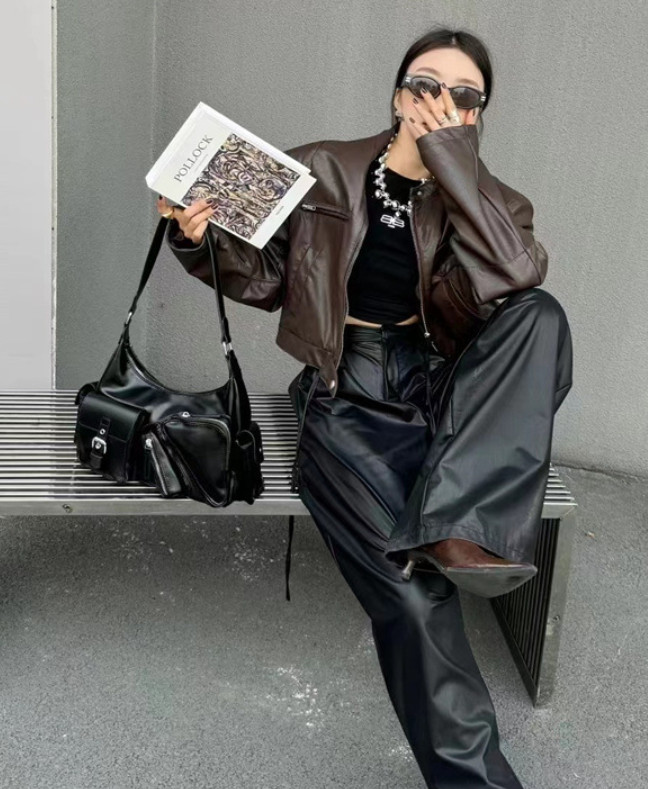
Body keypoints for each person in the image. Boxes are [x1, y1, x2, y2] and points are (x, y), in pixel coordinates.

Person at [158, 26, 573, 789]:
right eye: (425, 84)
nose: (440, 101)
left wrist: (454, 168)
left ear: (477, 116)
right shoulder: (322, 169)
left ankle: (457, 526)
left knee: (542, 315)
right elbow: (267, 277)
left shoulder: (494, 202)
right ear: (396, 95)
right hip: (344, 391)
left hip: (436, 384)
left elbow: (517, 276)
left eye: (463, 95)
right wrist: (196, 237)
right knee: (413, 594)